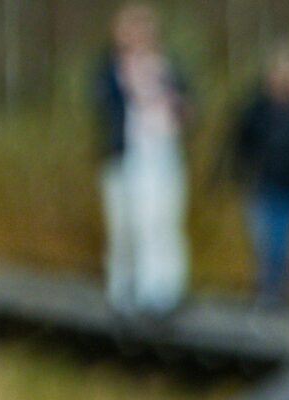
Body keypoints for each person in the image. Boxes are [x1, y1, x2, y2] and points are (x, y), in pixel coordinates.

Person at [94, 5, 190, 315]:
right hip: (124, 158)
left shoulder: (168, 67)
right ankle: (123, 290)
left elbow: (188, 107)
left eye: (143, 29)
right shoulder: (109, 70)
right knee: (125, 227)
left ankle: (162, 291)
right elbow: (103, 106)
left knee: (161, 223)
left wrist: (175, 105)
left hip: (162, 157)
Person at [228, 42, 289, 307]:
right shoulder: (256, 109)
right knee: (262, 242)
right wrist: (236, 175)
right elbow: (239, 144)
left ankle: (279, 295)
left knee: (285, 245)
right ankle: (264, 292)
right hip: (260, 185)